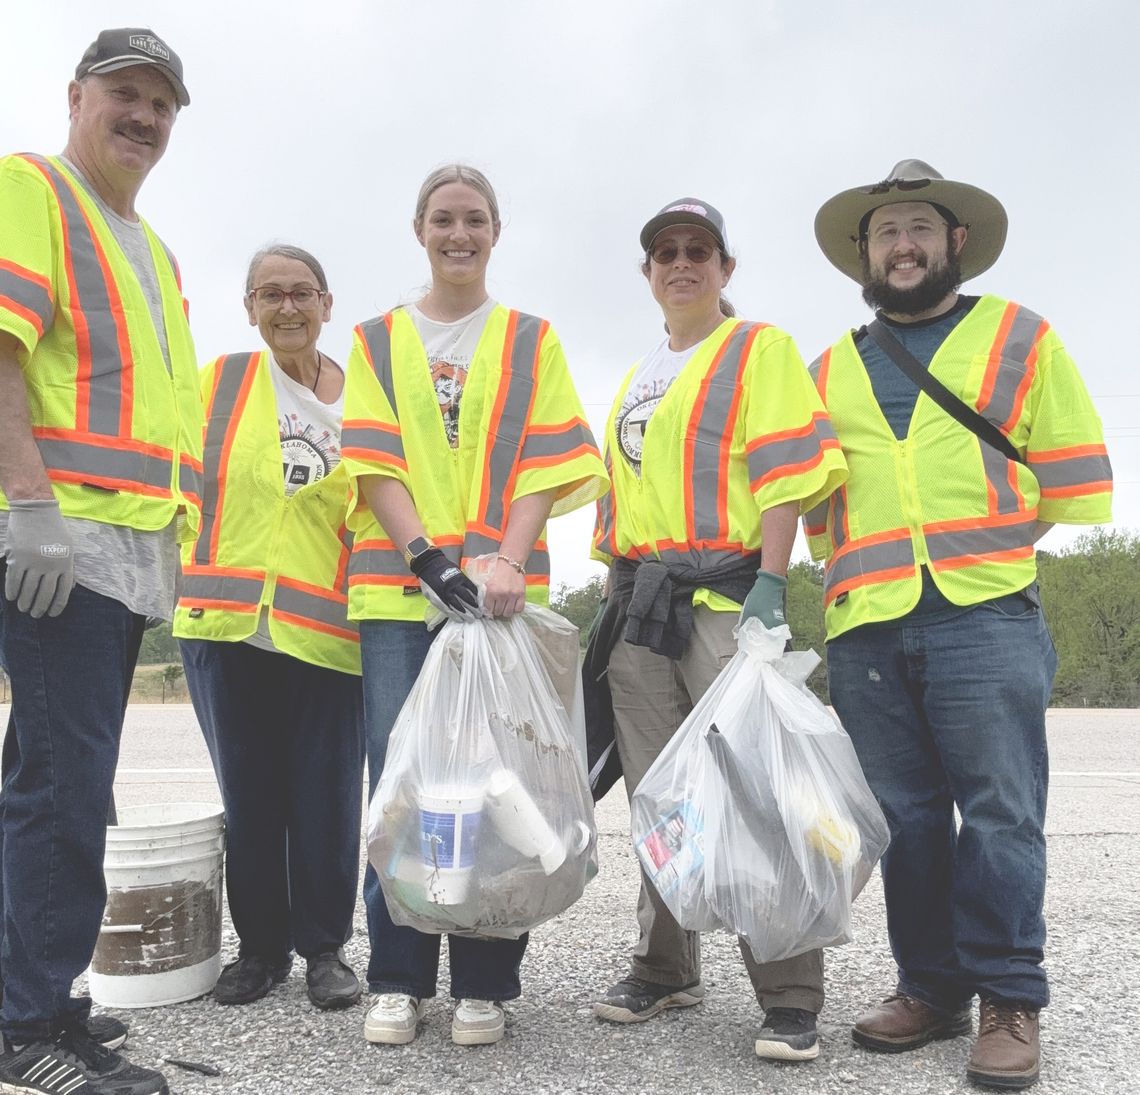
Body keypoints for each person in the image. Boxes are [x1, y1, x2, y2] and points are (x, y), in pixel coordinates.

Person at [809, 159, 1113, 1090]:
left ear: (955, 244)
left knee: (1000, 809)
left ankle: (1010, 996)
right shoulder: (827, 367)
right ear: (865, 254)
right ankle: (930, 986)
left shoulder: (1019, 336)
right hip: (865, 624)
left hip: (984, 612)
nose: (902, 246)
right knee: (904, 817)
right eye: (886, 233)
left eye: (919, 230)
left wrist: (978, 551)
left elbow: (1069, 476)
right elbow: (812, 507)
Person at [341, 164, 609, 1047]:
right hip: (398, 594)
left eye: (476, 221)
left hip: (494, 597)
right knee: (407, 785)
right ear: (420, 228)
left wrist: (506, 557)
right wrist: (423, 555)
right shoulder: (377, 339)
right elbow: (372, 459)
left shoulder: (531, 339)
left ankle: (486, 980)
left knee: (500, 783)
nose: (460, 235)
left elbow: (546, 456)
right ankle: (397, 976)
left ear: (497, 232)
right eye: (445, 219)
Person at [586, 199, 847, 1062]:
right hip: (642, 606)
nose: (682, 262)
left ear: (725, 268)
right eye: (666, 252)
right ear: (647, 273)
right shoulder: (640, 374)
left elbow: (783, 473)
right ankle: (666, 967)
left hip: (725, 601)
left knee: (754, 792)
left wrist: (773, 581)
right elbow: (624, 498)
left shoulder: (756, 349)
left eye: (699, 250)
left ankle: (788, 993)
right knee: (659, 794)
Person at [0, 28, 203, 1095]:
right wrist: (26, 503)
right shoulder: (36, 188)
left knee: (48, 780)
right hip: (61, 546)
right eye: (125, 94)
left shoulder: (151, 249)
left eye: (162, 103)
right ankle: (28, 1029)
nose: (144, 116)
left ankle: (31, 994)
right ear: (76, 95)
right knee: (66, 794)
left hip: (123, 556)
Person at [174, 245, 365, 1010]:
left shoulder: (363, 401)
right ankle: (258, 952)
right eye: (270, 294)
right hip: (225, 626)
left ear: (326, 302)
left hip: (325, 631)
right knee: (249, 796)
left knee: (325, 799)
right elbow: (170, 468)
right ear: (249, 307)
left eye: (301, 293)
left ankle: (325, 949)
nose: (287, 307)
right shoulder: (216, 383)